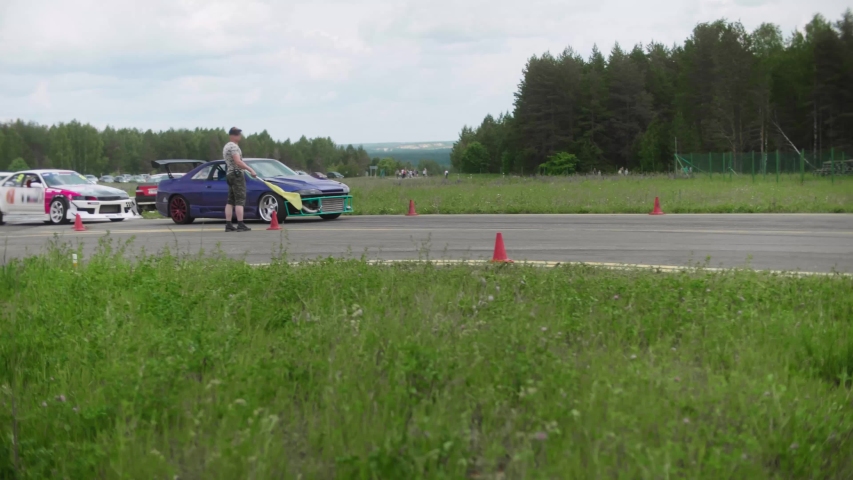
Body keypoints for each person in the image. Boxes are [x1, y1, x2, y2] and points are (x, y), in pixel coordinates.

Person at [222, 127, 258, 232]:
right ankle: (240, 224)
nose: (239, 136)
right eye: (238, 134)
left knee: (230, 200)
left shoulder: (226, 146)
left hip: (229, 174)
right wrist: (250, 169)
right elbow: (238, 161)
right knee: (240, 200)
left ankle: (228, 224)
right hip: (236, 174)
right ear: (233, 136)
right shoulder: (233, 147)